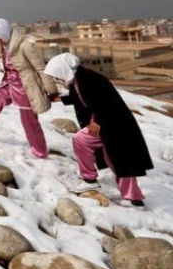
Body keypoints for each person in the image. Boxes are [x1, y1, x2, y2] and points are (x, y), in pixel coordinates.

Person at [44, 53, 153, 207]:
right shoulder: (78, 80)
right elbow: (82, 97)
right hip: (106, 124)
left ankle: (93, 181)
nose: (57, 78)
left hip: (115, 125)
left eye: (57, 74)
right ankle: (133, 198)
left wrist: (98, 122)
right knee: (114, 159)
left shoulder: (91, 79)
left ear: (64, 69)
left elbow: (108, 101)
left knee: (117, 159)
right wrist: (60, 99)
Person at [0, 18, 56, 158]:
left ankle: (40, 151)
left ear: (4, 34)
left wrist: (51, 89)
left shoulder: (25, 45)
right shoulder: (0, 46)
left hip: (26, 86)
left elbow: (40, 68)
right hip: (9, 83)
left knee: (29, 120)